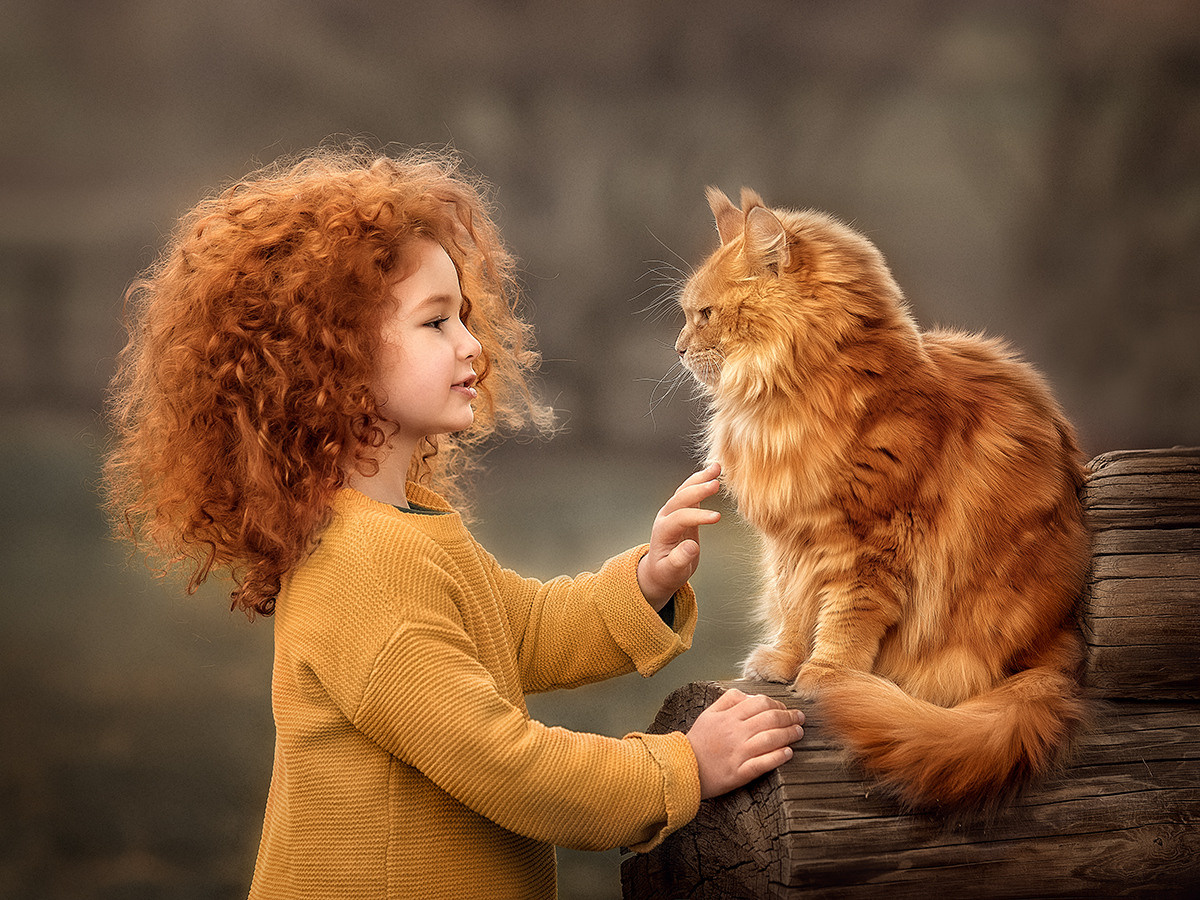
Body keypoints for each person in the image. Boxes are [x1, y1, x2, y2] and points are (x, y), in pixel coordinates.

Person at [103, 146, 804, 899]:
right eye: (435, 322)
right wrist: (684, 768)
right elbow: (510, 766)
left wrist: (644, 582)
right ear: (329, 359)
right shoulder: (362, 565)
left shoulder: (409, 524)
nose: (472, 344)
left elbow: (520, 633)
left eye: (464, 315)